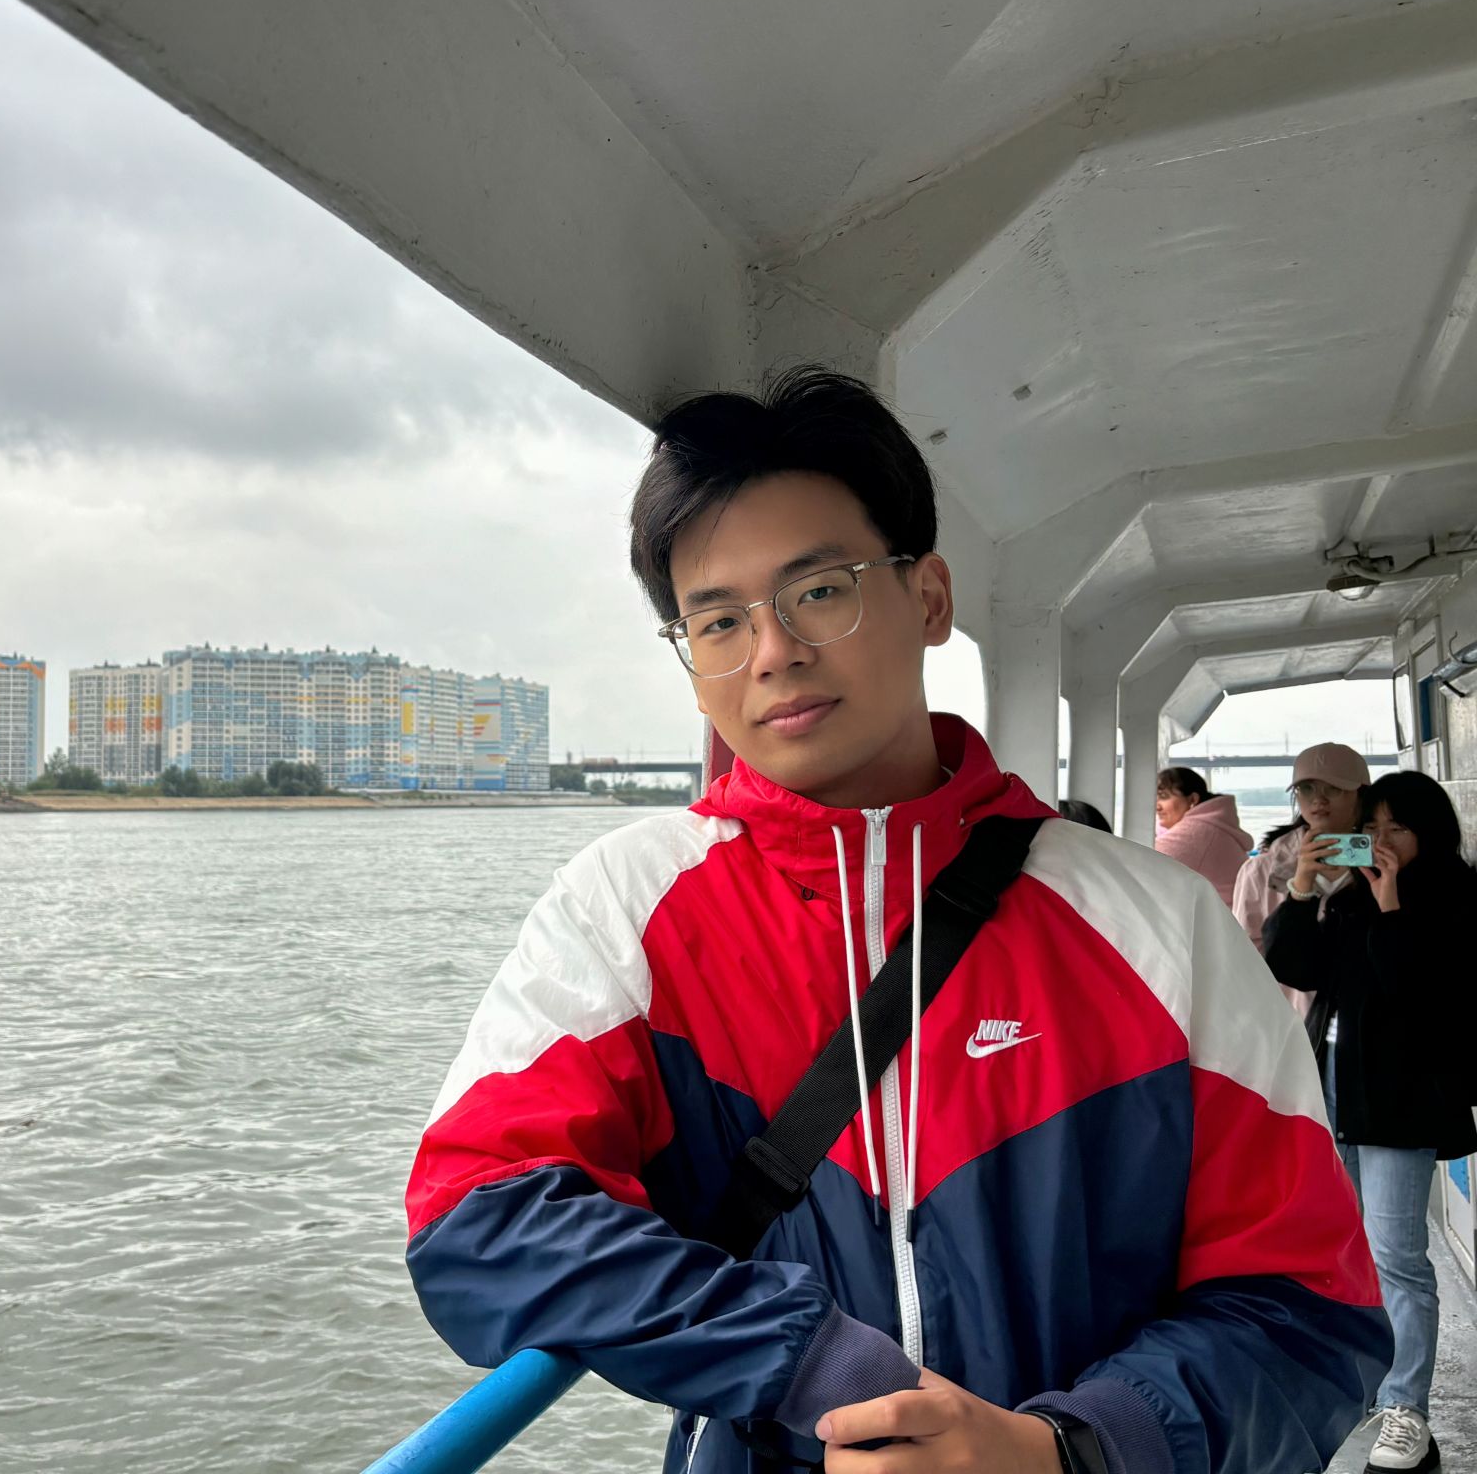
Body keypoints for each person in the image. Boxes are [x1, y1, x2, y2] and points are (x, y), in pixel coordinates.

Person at [405, 368, 1387, 1474]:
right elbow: (473, 1214)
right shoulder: (624, 910)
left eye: (818, 591)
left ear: (928, 598)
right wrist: (809, 1363)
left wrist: (1066, 1451)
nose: (771, 652)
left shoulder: (1160, 925)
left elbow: (1311, 1307)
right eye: (717, 622)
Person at [1263, 771, 1477, 1474]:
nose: (1380, 842)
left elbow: (1416, 997)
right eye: (1372, 828)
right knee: (1339, 1248)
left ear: (1428, 834)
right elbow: (1293, 967)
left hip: (1398, 1106)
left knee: (1397, 1258)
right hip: (1333, 1096)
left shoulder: (1454, 899)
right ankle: (1361, 1387)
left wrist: (1391, 909)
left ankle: (1407, 1409)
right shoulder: (1351, 896)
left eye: (1397, 829)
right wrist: (1302, 888)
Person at [1231, 744, 1368, 1023]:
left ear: (1361, 794)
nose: (1319, 799)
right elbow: (1243, 956)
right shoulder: (1261, 869)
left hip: (1365, 1026)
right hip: (1288, 1026)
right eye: (1306, 789)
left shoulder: (1386, 864)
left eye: (1334, 788)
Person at [1153, 766, 1251, 901]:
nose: (1156, 806)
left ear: (1192, 800)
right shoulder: (1212, 826)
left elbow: (1142, 864)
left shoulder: (1198, 832)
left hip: (1219, 914)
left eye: (1163, 797)